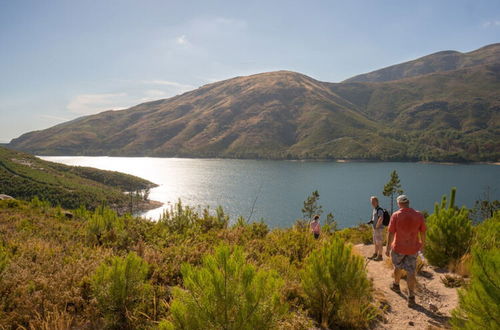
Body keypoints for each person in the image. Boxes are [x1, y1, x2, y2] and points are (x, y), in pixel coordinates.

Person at [385, 195, 426, 307]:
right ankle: (411, 297)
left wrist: (387, 247)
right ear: (408, 203)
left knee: (397, 267)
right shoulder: (418, 215)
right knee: (411, 272)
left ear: (399, 204)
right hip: (413, 248)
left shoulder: (396, 215)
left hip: (398, 248)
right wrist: (423, 245)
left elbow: (391, 232)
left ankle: (396, 286)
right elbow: (423, 232)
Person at [368, 196, 384, 261]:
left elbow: (381, 218)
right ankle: (375, 254)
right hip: (375, 228)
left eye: (374, 201)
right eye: (371, 202)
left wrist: (377, 226)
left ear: (377, 202)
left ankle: (380, 256)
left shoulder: (379, 209)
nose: (372, 203)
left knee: (379, 242)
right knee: (375, 242)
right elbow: (374, 218)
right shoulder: (374, 209)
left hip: (378, 229)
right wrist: (371, 221)